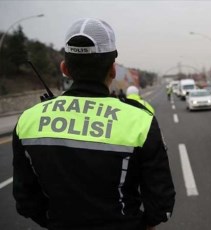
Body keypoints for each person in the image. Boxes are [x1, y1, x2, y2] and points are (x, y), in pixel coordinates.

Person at [12, 18, 175, 230]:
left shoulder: (28, 120)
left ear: (65, 68)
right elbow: (161, 206)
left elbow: (26, 201)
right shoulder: (140, 121)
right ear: (113, 70)